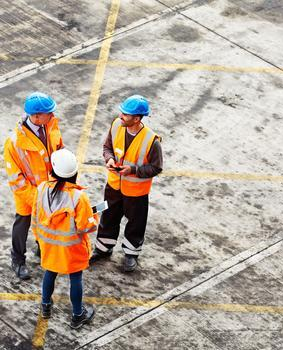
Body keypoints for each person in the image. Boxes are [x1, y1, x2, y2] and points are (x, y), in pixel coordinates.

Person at [90, 95, 163, 272]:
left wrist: (133, 171)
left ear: (137, 119)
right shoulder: (116, 125)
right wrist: (109, 160)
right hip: (114, 186)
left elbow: (156, 168)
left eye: (126, 114)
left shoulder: (151, 141)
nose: (121, 116)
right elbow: (107, 147)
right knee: (108, 216)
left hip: (136, 193)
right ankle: (103, 248)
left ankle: (131, 254)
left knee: (136, 223)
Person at [31, 149, 96, 329]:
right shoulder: (78, 196)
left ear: (53, 170)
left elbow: (34, 216)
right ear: (74, 173)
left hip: (49, 245)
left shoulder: (41, 188)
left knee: (49, 273)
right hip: (71, 249)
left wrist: (39, 239)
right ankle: (77, 315)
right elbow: (87, 227)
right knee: (75, 278)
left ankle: (45, 306)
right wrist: (93, 216)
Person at [3, 92, 64, 280]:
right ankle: (18, 260)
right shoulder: (14, 143)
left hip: (50, 190)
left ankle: (42, 249)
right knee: (22, 224)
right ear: (36, 116)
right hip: (28, 195)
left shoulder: (51, 127)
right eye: (49, 112)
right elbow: (16, 179)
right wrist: (37, 198)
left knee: (46, 222)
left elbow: (60, 151)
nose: (53, 114)